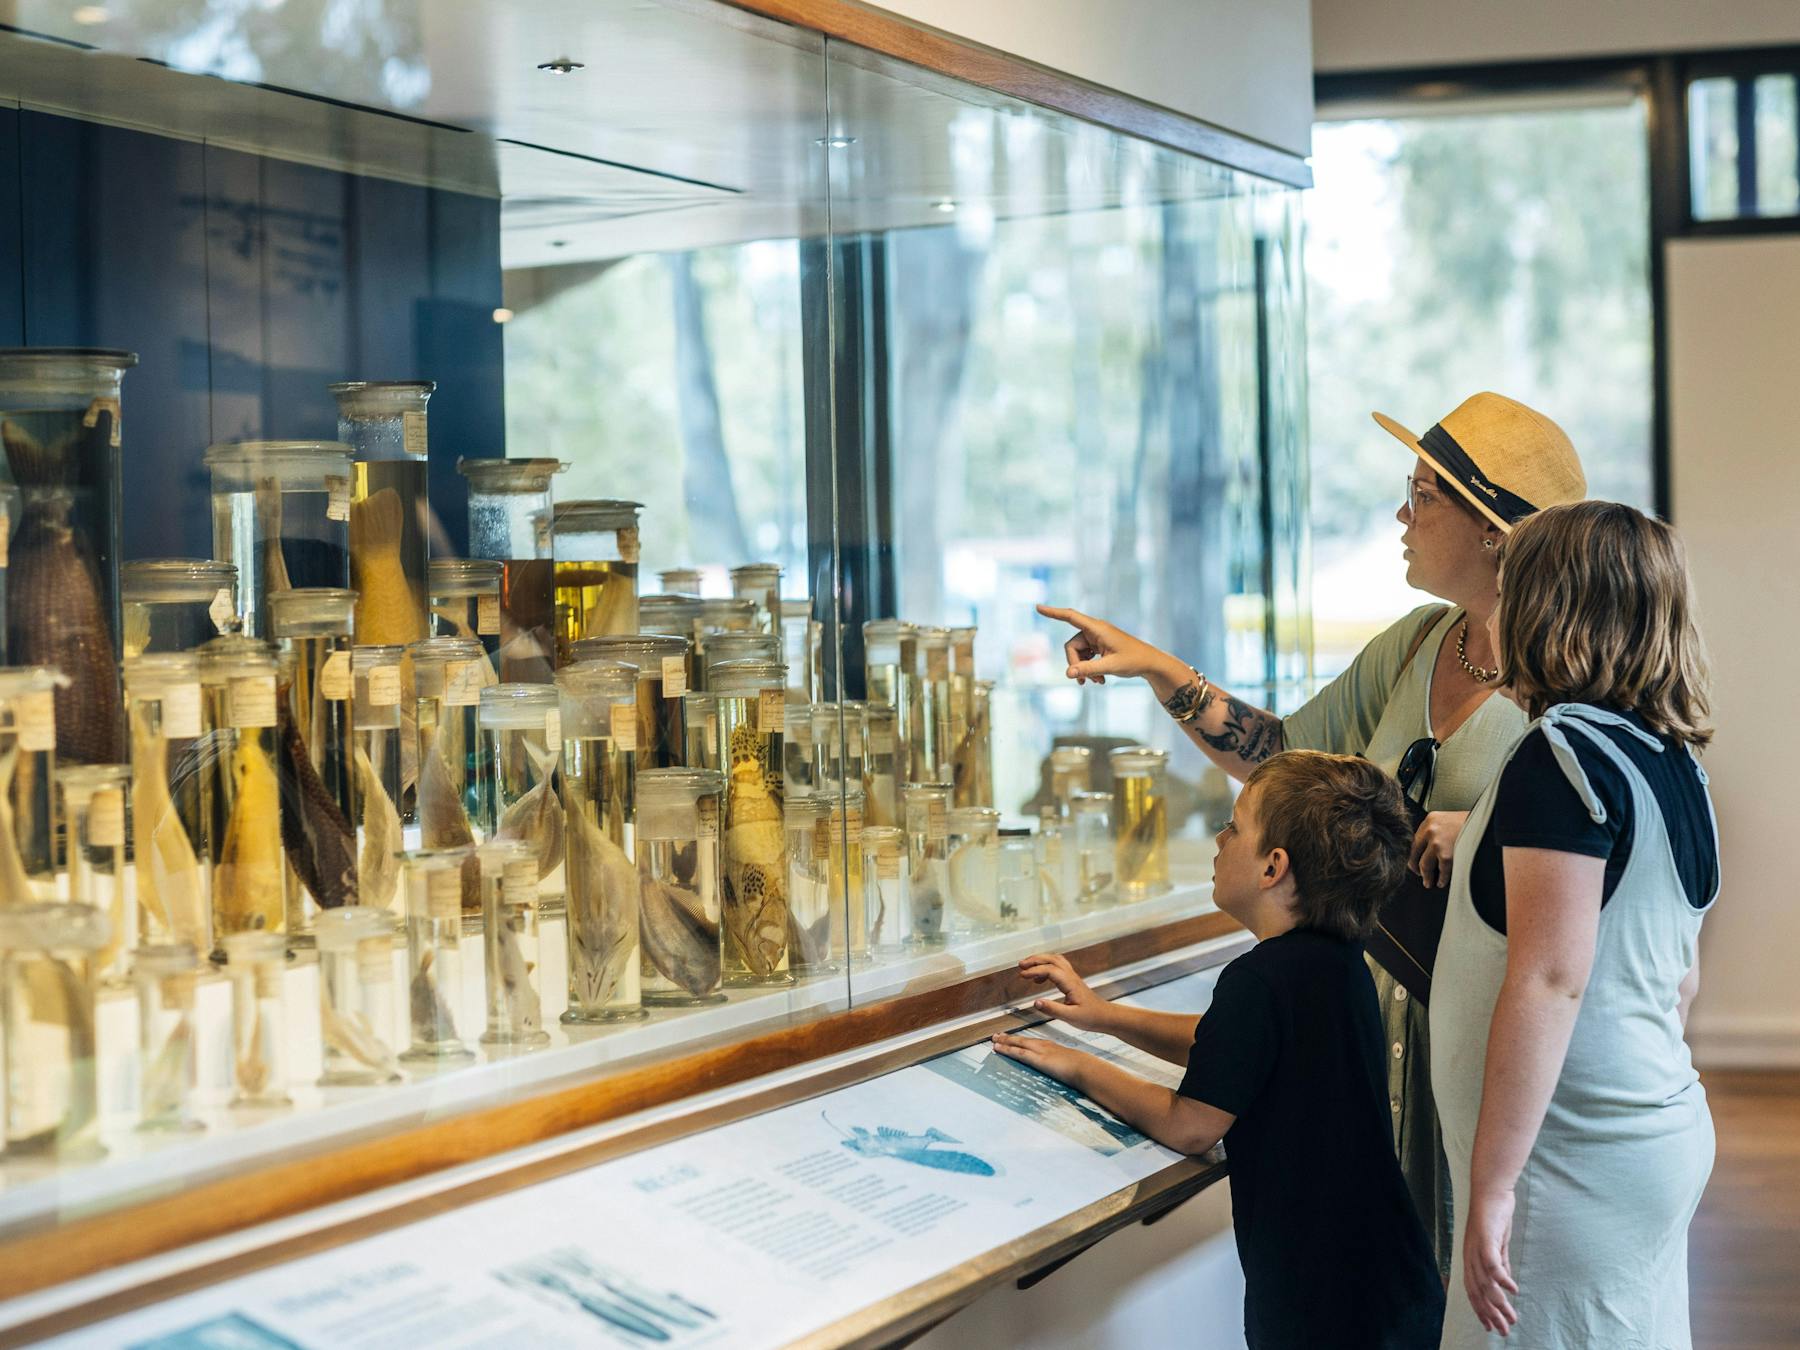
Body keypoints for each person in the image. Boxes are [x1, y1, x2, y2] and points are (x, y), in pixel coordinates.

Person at [1037, 391, 1586, 1269]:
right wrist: (1155, 668)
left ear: (1491, 528)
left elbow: (1603, 864)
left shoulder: (1572, 682)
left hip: (1485, 1038)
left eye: (1423, 495)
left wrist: (1481, 829)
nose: (1401, 516)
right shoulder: (1415, 644)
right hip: (1363, 1032)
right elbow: (1283, 758)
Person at [994, 750, 1443, 1348]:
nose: (1218, 836)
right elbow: (1229, 1048)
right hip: (1391, 1287)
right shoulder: (1335, 960)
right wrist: (1105, 1018)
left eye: (1234, 826)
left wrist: (1078, 1066)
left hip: (1320, 1308)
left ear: (1272, 867)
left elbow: (1192, 1126)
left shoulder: (1258, 979)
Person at [1433, 501, 1718, 1346]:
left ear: (1544, 608)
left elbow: (1551, 981)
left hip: (1570, 1166)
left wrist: (1493, 1188)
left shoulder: (1561, 756)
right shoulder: (1670, 762)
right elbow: (1679, 981)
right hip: (1647, 1134)